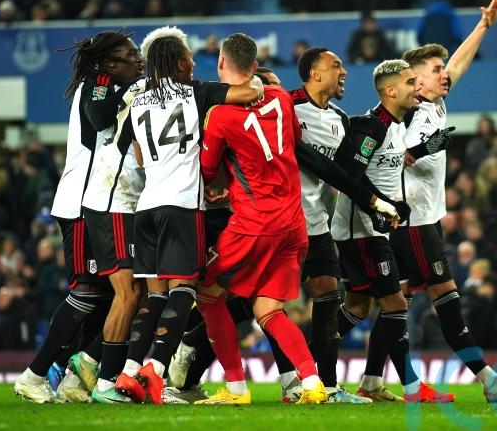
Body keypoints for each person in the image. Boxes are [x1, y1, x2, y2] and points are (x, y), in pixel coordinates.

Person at [164, 61, 403, 404]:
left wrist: (373, 201)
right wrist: (374, 201)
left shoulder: (334, 118)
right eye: (336, 65)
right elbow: (312, 160)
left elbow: (334, 169)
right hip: (292, 224)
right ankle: (304, 381)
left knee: (218, 294)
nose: (272, 88)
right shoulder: (284, 103)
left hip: (282, 224)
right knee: (262, 308)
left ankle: (281, 384)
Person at [363, 0, 497, 404]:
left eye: (441, 70)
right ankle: (487, 378)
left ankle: (369, 380)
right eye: (435, 71)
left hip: (423, 219)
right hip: (414, 221)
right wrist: (420, 150)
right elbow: (391, 158)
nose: (445, 75)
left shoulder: (432, 99)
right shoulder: (405, 112)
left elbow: (458, 63)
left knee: (394, 303)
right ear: (414, 80)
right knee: (446, 296)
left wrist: (484, 26)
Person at [111, 27, 262, 405]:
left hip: (146, 207)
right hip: (180, 206)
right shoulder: (195, 91)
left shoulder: (139, 101)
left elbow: (140, 155)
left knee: (155, 296)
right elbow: (251, 92)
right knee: (184, 290)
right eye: (190, 58)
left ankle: (129, 373)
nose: (195, 63)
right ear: (179, 64)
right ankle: (157, 372)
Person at [198, 33, 328, 404]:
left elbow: (207, 171)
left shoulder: (220, 116)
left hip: (253, 225)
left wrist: (221, 184)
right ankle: (311, 382)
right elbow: (293, 140)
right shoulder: (282, 99)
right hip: (293, 224)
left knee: (207, 292)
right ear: (255, 67)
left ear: (221, 65)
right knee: (269, 310)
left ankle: (237, 388)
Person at [14, 30, 142, 404]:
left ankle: (74, 375)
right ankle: (36, 374)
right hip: (84, 203)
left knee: (109, 295)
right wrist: (126, 92)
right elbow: (101, 118)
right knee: (91, 291)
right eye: (129, 54)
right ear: (108, 63)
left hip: (98, 203)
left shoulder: (110, 83)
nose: (137, 59)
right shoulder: (98, 83)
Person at [331, 59, 447, 402]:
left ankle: (305, 359)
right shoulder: (370, 127)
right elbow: (350, 173)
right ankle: (412, 387)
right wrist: (380, 204)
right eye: (412, 82)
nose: (418, 87)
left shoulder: (397, 126)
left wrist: (398, 204)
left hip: (374, 227)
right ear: (391, 90)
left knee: (357, 307)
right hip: (359, 230)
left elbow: (390, 172)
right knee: (395, 304)